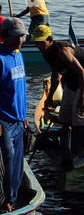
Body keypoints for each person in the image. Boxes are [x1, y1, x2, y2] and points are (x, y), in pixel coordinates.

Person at [0, 18, 27, 208]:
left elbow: (21, 88)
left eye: (22, 37)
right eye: (16, 37)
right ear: (5, 36)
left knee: (17, 164)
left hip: (18, 120)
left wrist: (24, 115)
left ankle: (12, 198)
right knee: (5, 163)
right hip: (2, 121)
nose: (20, 40)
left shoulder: (18, 55)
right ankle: (2, 200)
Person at [33, 24, 84, 168]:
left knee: (79, 120)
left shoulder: (63, 51)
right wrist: (49, 98)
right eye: (36, 42)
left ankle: (75, 153)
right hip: (71, 83)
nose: (38, 45)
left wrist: (82, 98)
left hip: (82, 82)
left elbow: (82, 72)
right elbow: (56, 76)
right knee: (64, 118)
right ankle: (66, 142)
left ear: (50, 39)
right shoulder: (46, 53)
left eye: (41, 42)